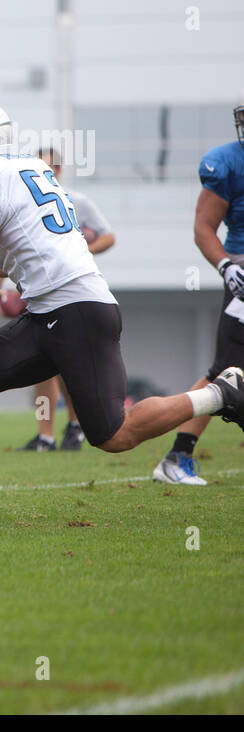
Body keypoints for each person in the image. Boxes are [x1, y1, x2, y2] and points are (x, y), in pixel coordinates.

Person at [0, 99, 244, 523]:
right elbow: (22, 256)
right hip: (57, 309)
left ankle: (219, 394)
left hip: (74, 313)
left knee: (114, 434)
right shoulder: (29, 168)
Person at [0, 146, 117, 452]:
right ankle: (45, 435)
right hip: (37, 292)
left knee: (69, 369)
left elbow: (108, 235)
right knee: (43, 371)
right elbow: (8, 249)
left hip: (70, 291)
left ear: (58, 170)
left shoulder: (78, 201)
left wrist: (82, 249)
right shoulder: (22, 200)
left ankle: (75, 425)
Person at [150, 104, 244, 485]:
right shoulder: (226, 163)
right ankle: (177, 456)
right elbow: (204, 227)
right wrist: (226, 265)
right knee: (225, 372)